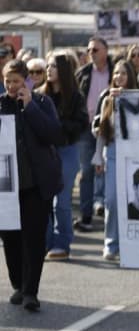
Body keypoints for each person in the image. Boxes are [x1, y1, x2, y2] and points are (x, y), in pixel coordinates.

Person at [0, 60, 63, 311]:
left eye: (17, 80)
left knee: (34, 239)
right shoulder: (1, 104)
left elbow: (53, 135)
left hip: (36, 183)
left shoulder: (42, 103)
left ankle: (30, 291)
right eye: (8, 81)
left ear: (26, 80)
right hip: (7, 187)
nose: (12, 86)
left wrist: (30, 107)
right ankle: (18, 284)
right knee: (11, 238)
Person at [40, 53, 89, 261]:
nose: (49, 70)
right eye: (48, 66)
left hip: (67, 150)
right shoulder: (40, 95)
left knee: (61, 201)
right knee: (44, 200)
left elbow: (81, 125)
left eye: (53, 66)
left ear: (64, 70)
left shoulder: (76, 97)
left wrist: (58, 127)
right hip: (44, 152)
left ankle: (62, 243)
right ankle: (46, 242)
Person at [91, 60, 139, 261]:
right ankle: (111, 244)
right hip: (112, 152)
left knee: (132, 201)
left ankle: (132, 245)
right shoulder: (107, 100)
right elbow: (102, 131)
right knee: (111, 200)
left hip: (135, 154)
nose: (119, 77)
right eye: (116, 73)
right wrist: (98, 156)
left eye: (123, 73)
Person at [75, 36, 112, 230]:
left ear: (106, 50)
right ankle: (86, 216)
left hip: (110, 129)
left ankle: (112, 217)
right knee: (87, 172)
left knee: (110, 172)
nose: (92, 54)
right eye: (89, 50)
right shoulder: (82, 73)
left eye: (96, 50)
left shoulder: (117, 70)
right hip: (86, 130)